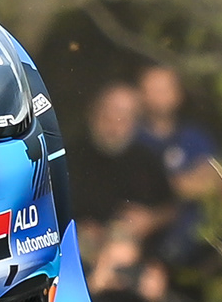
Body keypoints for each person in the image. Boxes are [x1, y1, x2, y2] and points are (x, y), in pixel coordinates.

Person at [134, 60, 222, 271]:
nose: (160, 96)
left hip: (201, 250)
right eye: (153, 89)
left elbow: (221, 181)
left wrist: (175, 185)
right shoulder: (133, 140)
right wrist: (190, 181)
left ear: (178, 94)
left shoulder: (196, 137)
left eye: (165, 89)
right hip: (149, 252)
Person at [58, 80, 179, 247]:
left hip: (134, 249)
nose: (114, 126)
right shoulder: (68, 156)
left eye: (123, 118)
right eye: (108, 116)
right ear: (94, 114)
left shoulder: (146, 159)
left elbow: (170, 208)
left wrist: (150, 220)